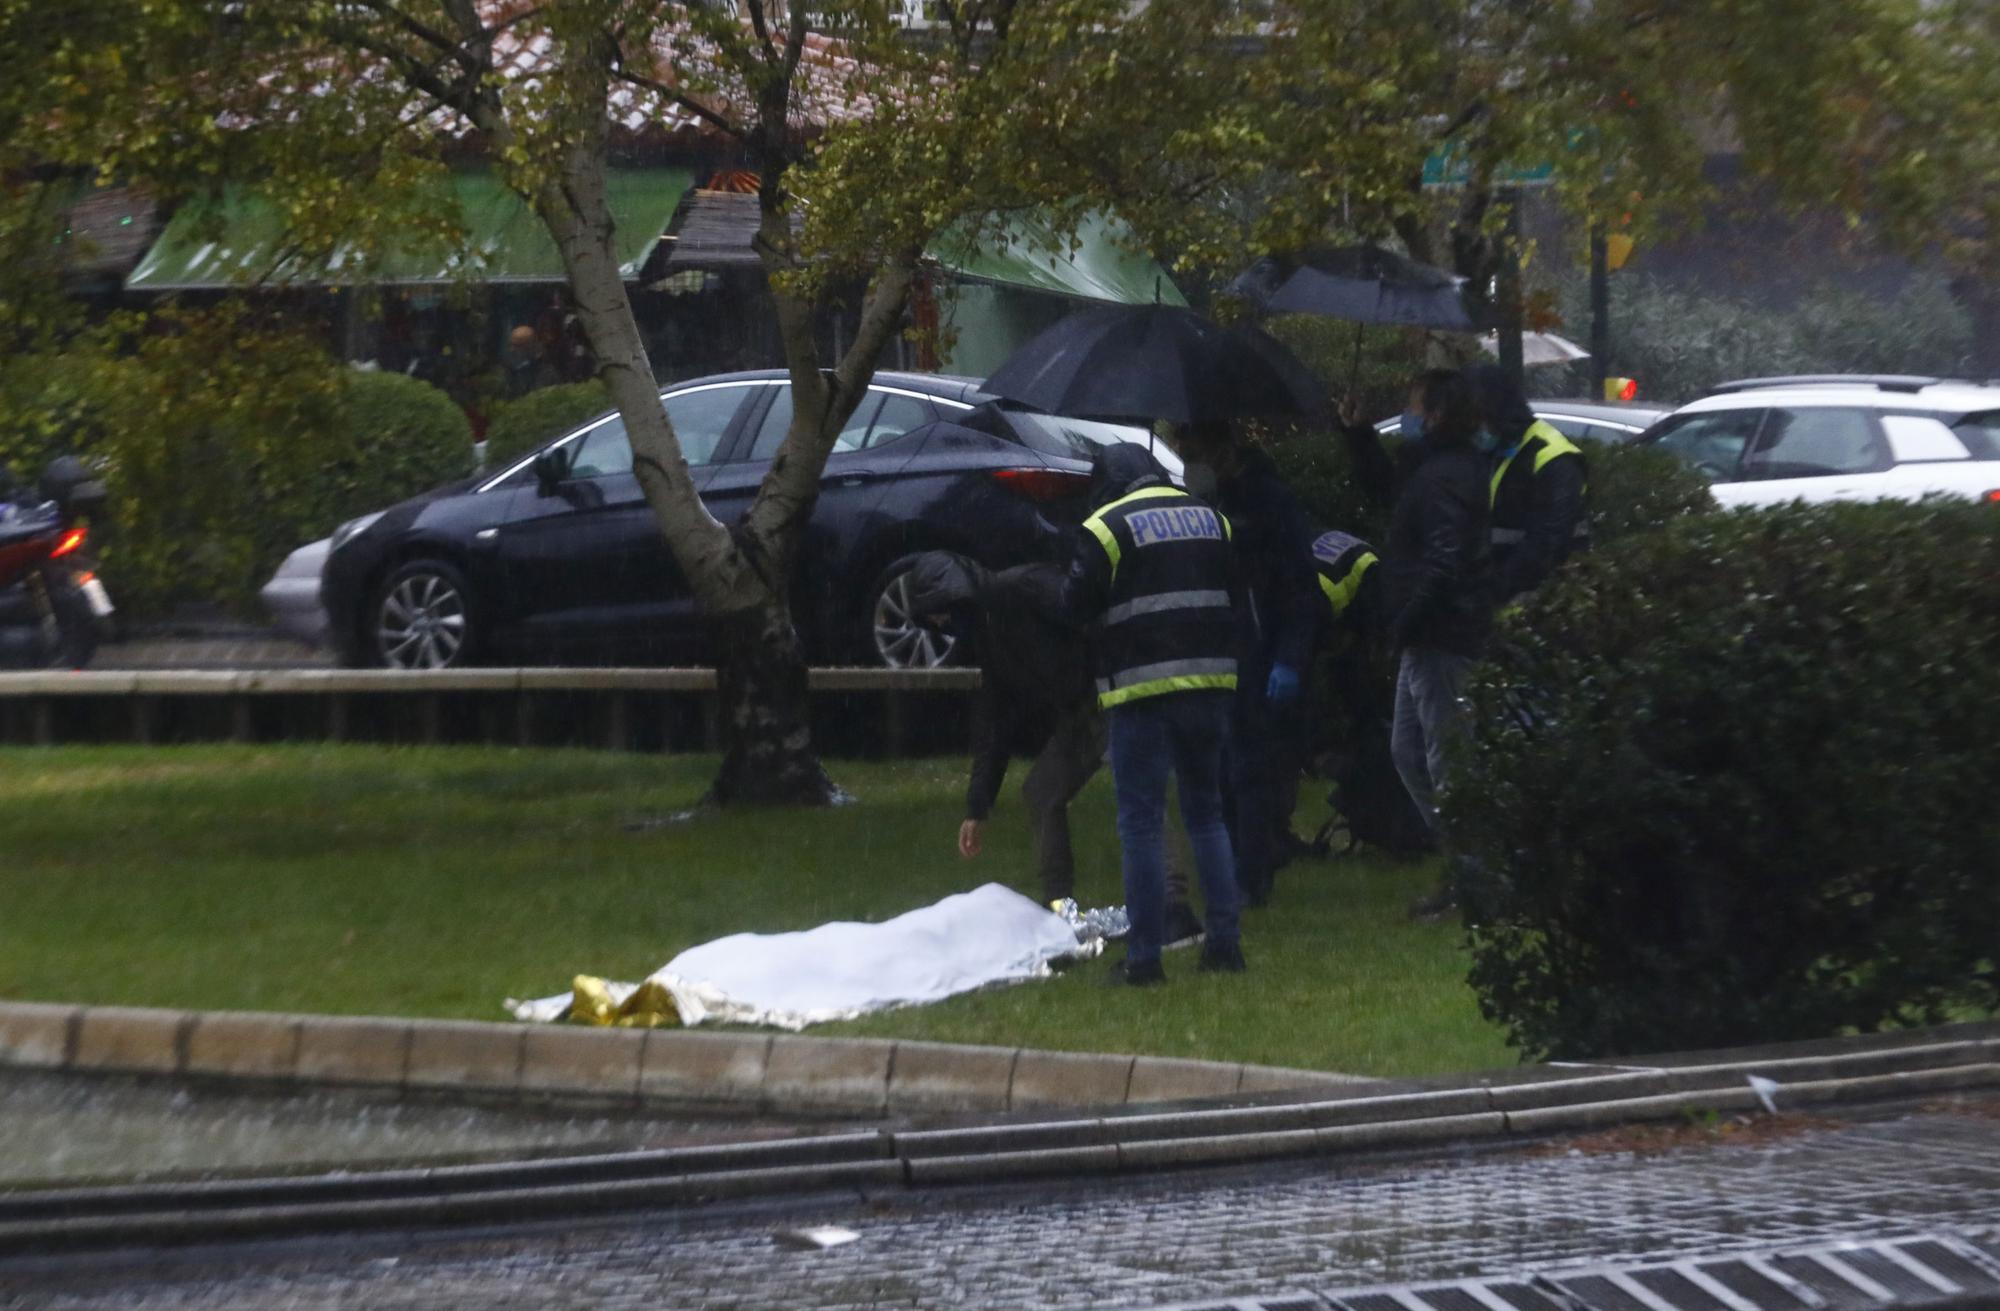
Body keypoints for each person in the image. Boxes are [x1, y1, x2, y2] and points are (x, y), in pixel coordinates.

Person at [906, 550, 1204, 947]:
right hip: (1081, 712)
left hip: (1112, 694)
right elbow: (995, 724)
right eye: (935, 620)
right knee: (1043, 792)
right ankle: (1060, 910)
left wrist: (1114, 680)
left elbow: (1091, 613)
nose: (942, 625)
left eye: (942, 614)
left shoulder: (1021, 587)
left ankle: (1174, 908)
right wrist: (978, 806)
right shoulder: (989, 637)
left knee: (1138, 794)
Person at [1062, 442, 1245, 984]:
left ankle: (1144, 959)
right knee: (1207, 816)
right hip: (1211, 684)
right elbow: (1234, 593)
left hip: (1141, 693)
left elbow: (1074, 606)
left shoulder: (1106, 526)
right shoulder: (1214, 520)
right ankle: (1225, 945)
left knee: (1141, 825)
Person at [1171, 421, 1321, 906]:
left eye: (1191, 449)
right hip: (1218, 651)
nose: (1187, 461)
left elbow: (1301, 587)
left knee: (1250, 771)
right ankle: (1235, 870)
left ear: (1220, 450)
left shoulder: (1267, 501)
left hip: (1257, 651)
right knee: (1220, 773)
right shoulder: (1205, 503)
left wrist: (1289, 658)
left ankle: (1251, 876)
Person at [1378, 370, 1493, 910]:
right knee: (1410, 750)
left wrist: (1406, 619)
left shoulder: (1446, 475)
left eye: (1415, 405)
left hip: (1439, 635)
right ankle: (1464, 866)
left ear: (1437, 414)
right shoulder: (1438, 470)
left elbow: (1444, 560)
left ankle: (1475, 879)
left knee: (1446, 758)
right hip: (1428, 636)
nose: (1408, 413)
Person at [1464, 363, 1589, 605]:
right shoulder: (1497, 449)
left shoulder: (1552, 457)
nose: (1472, 426)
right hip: (1503, 594)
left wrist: (1492, 591)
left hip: (1544, 600)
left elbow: (1547, 543)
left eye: (1476, 416)